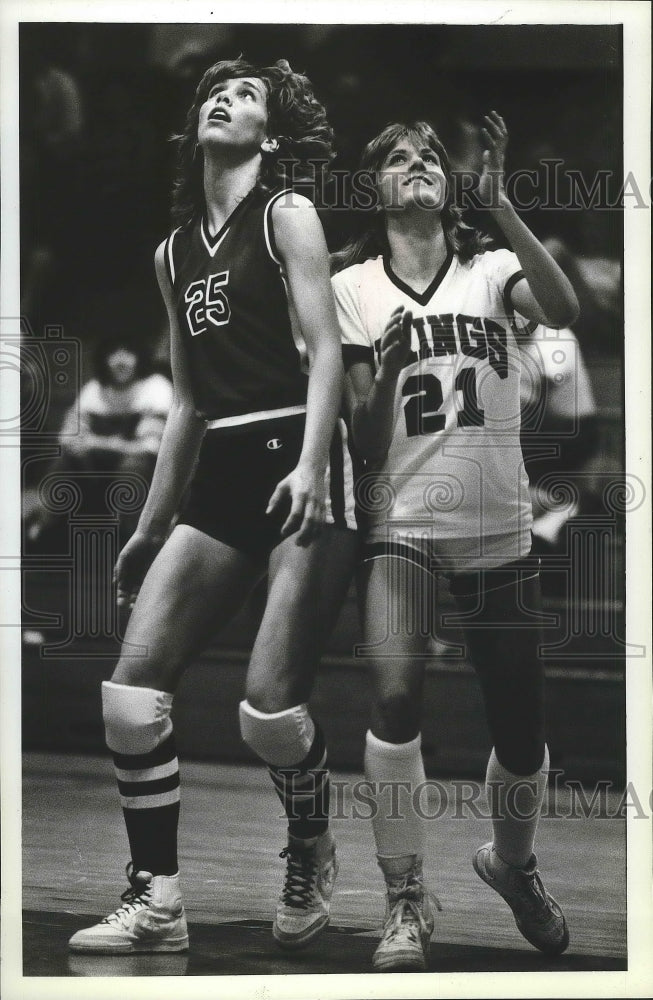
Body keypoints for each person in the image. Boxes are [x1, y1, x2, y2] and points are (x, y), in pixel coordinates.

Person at [68, 57, 358, 956]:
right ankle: (157, 898)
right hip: (226, 467)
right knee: (128, 695)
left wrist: (313, 463)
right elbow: (189, 403)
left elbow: (322, 355)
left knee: (266, 714)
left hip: (302, 460)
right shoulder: (170, 253)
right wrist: (150, 529)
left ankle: (308, 843)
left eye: (245, 97)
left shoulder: (287, 215)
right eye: (213, 93)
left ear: (269, 138)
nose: (221, 100)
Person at [331, 113, 579, 971]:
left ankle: (512, 868)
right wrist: (393, 368)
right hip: (403, 525)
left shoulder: (491, 267)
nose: (418, 165)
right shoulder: (352, 286)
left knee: (519, 731)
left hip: (499, 529)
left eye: (430, 156)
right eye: (398, 157)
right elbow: (363, 436)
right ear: (375, 186)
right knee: (395, 698)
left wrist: (503, 205)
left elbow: (563, 307)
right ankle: (404, 899)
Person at [26, 336, 173, 546]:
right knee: (65, 462)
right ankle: (42, 530)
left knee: (132, 468)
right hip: (97, 467)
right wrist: (83, 446)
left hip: (146, 467)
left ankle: (130, 539)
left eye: (128, 354)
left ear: (139, 358)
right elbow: (68, 436)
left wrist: (98, 443)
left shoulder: (155, 389)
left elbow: (150, 447)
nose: (121, 361)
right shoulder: (94, 390)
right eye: (114, 354)